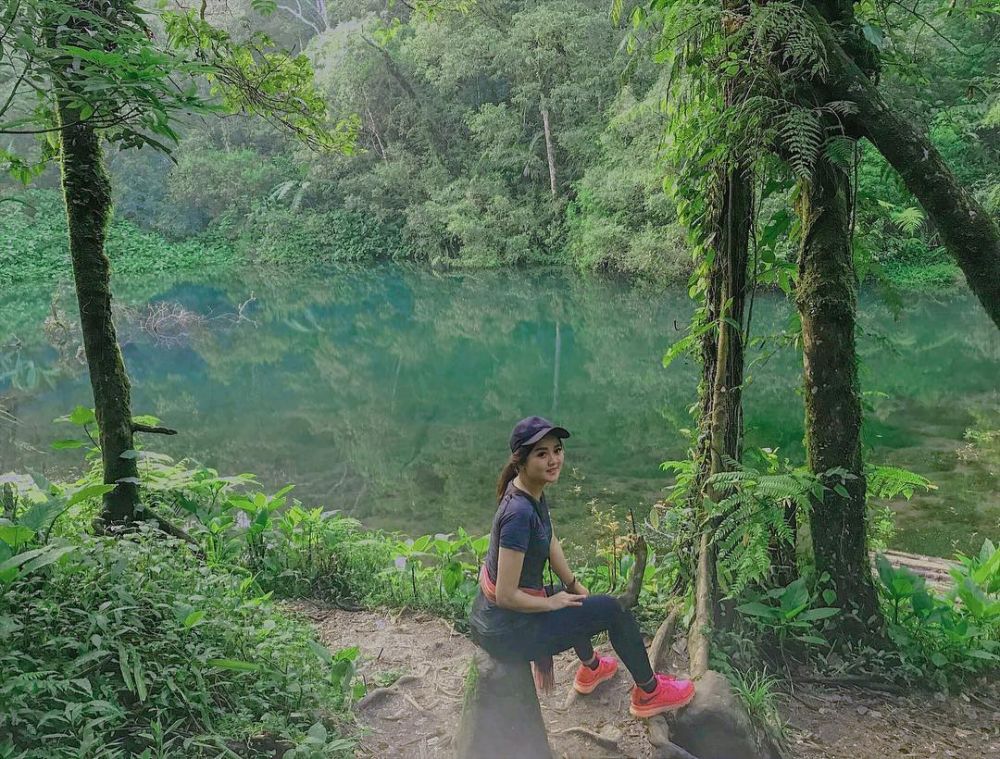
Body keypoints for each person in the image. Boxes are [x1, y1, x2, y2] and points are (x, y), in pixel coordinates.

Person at [468, 416, 695, 718]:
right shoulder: (518, 514)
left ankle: (591, 669)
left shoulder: (528, 490)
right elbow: (507, 596)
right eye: (541, 453)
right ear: (521, 461)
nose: (553, 460)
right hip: (505, 632)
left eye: (557, 450)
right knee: (614, 611)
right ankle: (649, 692)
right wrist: (550, 603)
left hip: (500, 621)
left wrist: (572, 584)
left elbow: (549, 539)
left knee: (574, 599)